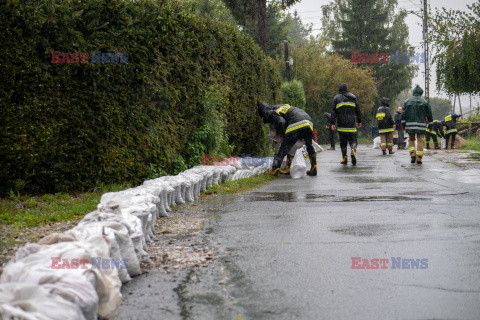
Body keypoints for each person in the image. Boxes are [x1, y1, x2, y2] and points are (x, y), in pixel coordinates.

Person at [258, 103, 317, 176]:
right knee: (309, 146)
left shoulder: (275, 111)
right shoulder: (286, 107)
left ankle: (274, 169)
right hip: (308, 122)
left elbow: (281, 122)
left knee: (283, 148)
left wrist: (282, 135)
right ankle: (313, 168)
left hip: (296, 122)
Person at [330, 83, 362, 165]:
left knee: (343, 142)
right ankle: (353, 150)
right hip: (351, 124)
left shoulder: (336, 98)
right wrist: (359, 121)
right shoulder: (353, 97)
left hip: (341, 125)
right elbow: (358, 110)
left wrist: (333, 123)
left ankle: (344, 158)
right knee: (353, 140)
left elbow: (333, 112)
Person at [401, 85, 433, 164]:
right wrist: (430, 124)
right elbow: (429, 114)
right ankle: (419, 158)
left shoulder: (407, 101)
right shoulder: (424, 102)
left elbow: (403, 114)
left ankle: (412, 155)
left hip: (410, 124)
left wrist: (403, 123)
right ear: (420, 93)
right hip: (421, 125)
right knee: (420, 141)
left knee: (411, 140)